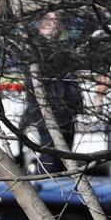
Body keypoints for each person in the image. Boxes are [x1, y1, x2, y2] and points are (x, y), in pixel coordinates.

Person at [19, 11, 83, 174]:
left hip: (66, 111)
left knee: (65, 155)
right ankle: (47, 189)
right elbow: (37, 85)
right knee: (51, 157)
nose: (58, 24)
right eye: (54, 20)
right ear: (44, 24)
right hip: (49, 111)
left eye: (59, 20)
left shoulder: (60, 47)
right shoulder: (37, 49)